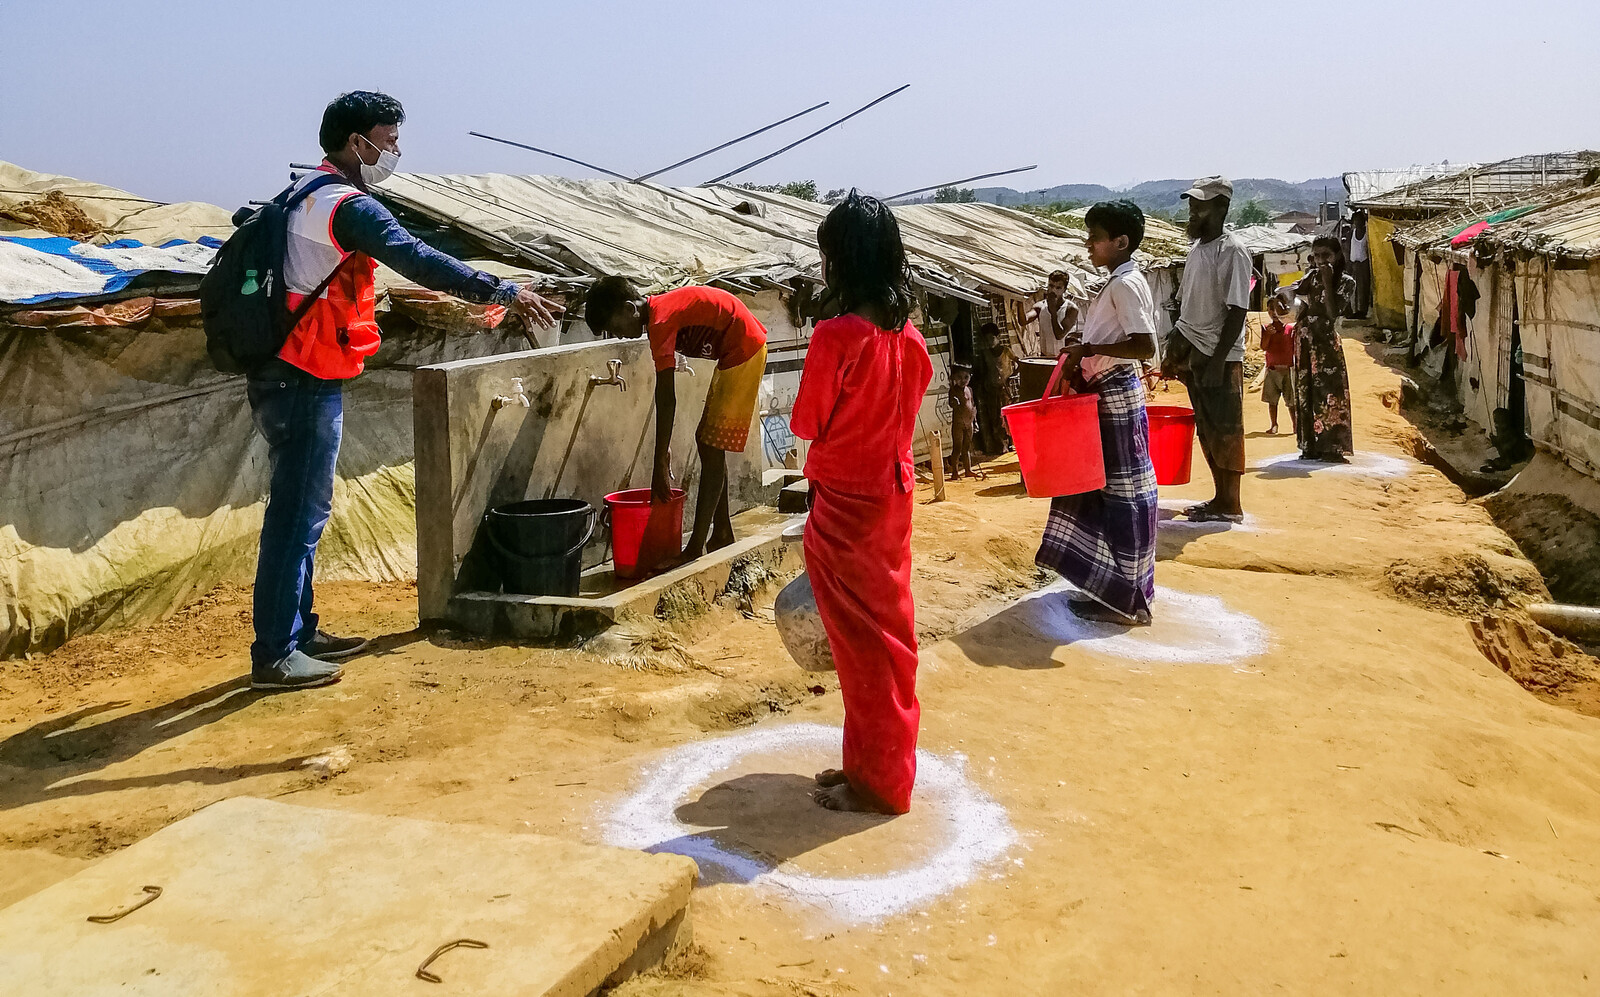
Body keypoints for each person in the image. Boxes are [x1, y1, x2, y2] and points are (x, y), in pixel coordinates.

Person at [247, 91, 563, 691]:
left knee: (301, 507)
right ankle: (276, 653)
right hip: (302, 373)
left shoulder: (302, 193)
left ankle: (298, 629)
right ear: (354, 142)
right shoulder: (344, 204)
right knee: (297, 513)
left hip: (290, 369)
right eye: (387, 141)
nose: (393, 152)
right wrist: (500, 290)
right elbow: (413, 256)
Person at [790, 191, 933, 814]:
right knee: (886, 638)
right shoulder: (911, 340)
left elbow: (805, 422)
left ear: (840, 262)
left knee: (861, 646)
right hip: (892, 499)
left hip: (845, 502)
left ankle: (878, 785)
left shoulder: (835, 337)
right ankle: (872, 765)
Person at [584, 279, 768, 560]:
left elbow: (667, 397)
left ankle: (695, 547)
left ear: (629, 308)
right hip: (738, 346)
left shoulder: (661, 321)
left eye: (615, 327)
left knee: (710, 444)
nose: (618, 336)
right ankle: (721, 532)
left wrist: (659, 460)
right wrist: (662, 451)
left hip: (745, 347)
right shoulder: (660, 314)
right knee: (709, 441)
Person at [1037, 200, 1159, 626]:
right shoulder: (1123, 280)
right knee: (1105, 491)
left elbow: (1143, 346)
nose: (1088, 244)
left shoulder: (1125, 284)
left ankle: (1127, 598)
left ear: (1120, 242)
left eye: (1096, 237)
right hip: (1109, 392)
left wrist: (1088, 349)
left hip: (1116, 395)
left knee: (1122, 496)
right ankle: (1116, 592)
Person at [1165, 176, 1251, 524]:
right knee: (1207, 426)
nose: (1193, 212)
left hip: (1219, 355)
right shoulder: (1199, 249)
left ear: (1221, 208)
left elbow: (1237, 311)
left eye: (1200, 207)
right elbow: (1188, 307)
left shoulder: (1232, 251)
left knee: (1226, 429)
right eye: (1192, 206)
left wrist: (1217, 361)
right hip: (1195, 352)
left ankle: (1231, 503)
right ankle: (1219, 498)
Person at [1291, 236, 1358, 462]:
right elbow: (1295, 297)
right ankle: (1309, 446)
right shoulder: (1310, 276)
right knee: (1305, 392)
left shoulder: (1346, 282)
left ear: (1337, 256)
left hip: (1325, 343)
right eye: (1316, 255)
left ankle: (1332, 447)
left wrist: (1328, 281)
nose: (1320, 261)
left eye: (1326, 255)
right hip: (1304, 341)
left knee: (1330, 394)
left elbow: (1331, 314)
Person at [1259, 296, 1297, 436]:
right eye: (1270, 309)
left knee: (1291, 402)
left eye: (1276, 309)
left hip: (1288, 369)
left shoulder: (1291, 328)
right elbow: (1263, 347)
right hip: (1272, 369)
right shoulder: (1266, 328)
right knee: (1272, 401)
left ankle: (1295, 425)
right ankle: (1274, 424)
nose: (1273, 312)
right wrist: (1268, 335)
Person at [972, 322, 1010, 454]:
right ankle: (1000, 445)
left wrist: (1011, 377)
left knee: (1006, 417)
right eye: (986, 339)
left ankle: (1008, 442)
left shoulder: (1005, 351)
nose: (989, 342)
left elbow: (1019, 363)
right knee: (995, 418)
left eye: (991, 338)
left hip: (1004, 389)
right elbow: (982, 371)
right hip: (991, 389)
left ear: (997, 337)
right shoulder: (985, 354)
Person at [1030, 269, 1081, 357]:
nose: (1053, 290)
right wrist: (1019, 299)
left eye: (1058, 288)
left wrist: (1053, 312)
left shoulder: (1071, 308)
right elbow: (1023, 321)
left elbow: (1059, 335)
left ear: (1064, 289)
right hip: (1045, 356)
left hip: (1064, 359)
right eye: (1051, 286)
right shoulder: (1041, 306)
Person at [947, 364, 980, 479]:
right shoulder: (953, 391)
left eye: (966, 377)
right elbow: (951, 403)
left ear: (970, 377)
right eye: (959, 377)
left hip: (969, 422)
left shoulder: (969, 390)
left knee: (966, 448)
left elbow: (973, 406)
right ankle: (954, 472)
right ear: (954, 378)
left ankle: (968, 470)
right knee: (957, 448)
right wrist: (954, 402)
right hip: (958, 424)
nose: (963, 380)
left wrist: (975, 421)